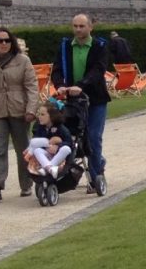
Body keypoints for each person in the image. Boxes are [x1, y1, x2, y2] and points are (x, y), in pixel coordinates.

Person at [0, 28, 41, 202]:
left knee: (23, 148)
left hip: (19, 109)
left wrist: (31, 110)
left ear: (12, 42)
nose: (3, 44)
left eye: (6, 40)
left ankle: (27, 183)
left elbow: (32, 87)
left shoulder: (23, 60)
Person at [51, 13, 111, 192]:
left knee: (93, 136)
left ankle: (95, 176)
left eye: (82, 26)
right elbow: (57, 69)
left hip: (96, 98)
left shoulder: (100, 45)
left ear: (90, 27)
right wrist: (60, 85)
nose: (78, 29)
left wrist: (81, 85)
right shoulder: (65, 46)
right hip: (72, 100)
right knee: (73, 137)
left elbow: (98, 69)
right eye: (75, 26)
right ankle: (92, 165)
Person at [25, 106, 74, 180]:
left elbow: (69, 142)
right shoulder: (40, 128)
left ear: (51, 116)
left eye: (42, 114)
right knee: (37, 150)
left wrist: (58, 146)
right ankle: (50, 168)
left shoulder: (61, 128)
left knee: (66, 149)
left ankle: (46, 169)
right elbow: (36, 141)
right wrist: (46, 146)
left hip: (59, 156)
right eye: (39, 114)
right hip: (47, 155)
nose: (39, 117)